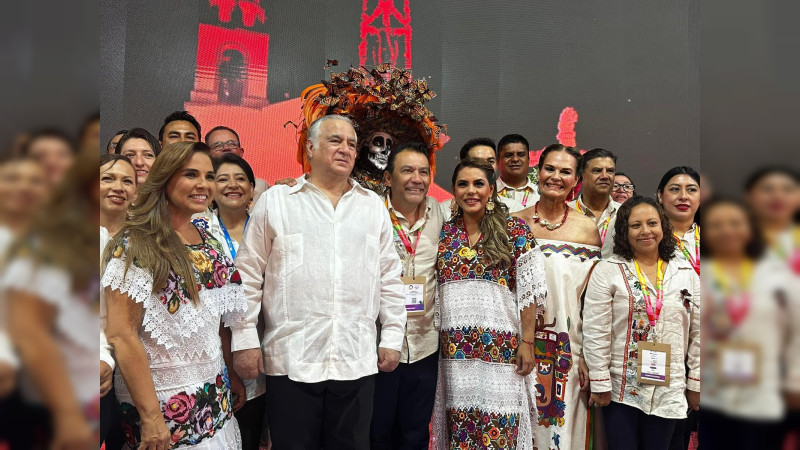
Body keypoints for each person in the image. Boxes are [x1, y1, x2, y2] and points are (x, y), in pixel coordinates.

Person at [231, 115, 407, 449]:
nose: (346, 149)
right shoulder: (277, 201)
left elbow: (389, 277)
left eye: (352, 144)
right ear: (310, 147)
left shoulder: (372, 207)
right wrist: (244, 339)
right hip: (291, 360)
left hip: (356, 359)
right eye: (335, 141)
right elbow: (248, 274)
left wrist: (394, 336)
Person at [102, 142, 247, 448]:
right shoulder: (134, 243)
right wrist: (152, 418)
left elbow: (217, 321)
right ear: (165, 179)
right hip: (160, 404)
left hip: (214, 393)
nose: (203, 185)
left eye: (209, 176)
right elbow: (121, 335)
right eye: (191, 174)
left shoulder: (209, 240)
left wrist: (231, 376)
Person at [431, 157, 547, 449]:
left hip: (502, 350)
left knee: (501, 426)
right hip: (454, 353)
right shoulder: (444, 233)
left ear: (491, 189)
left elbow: (529, 292)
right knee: (460, 426)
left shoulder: (515, 230)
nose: (471, 191)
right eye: (463, 184)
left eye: (479, 184)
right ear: (454, 192)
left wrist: (528, 342)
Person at [583, 196, 701, 450]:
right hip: (620, 387)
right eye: (636, 225)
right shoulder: (608, 270)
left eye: (652, 223)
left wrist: (697, 382)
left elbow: (700, 332)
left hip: (670, 388)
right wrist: (600, 380)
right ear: (624, 231)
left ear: (663, 227)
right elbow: (596, 329)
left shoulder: (685, 273)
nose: (645, 231)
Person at [2, 148, 100, 449]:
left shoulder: (89, 241)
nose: (25, 187)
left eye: (35, 181)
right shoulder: (40, 248)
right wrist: (68, 415)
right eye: (13, 178)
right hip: (49, 398)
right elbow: (30, 333)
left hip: (94, 392)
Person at [513, 144, 601, 449]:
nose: (556, 177)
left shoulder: (587, 230)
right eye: (550, 168)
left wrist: (590, 357)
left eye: (565, 171)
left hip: (568, 350)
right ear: (538, 173)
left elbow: (592, 302)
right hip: (517, 347)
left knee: (561, 433)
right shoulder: (514, 223)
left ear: (576, 180)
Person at [698, 198, 800, 449]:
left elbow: (796, 331)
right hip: (711, 393)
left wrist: (795, 381)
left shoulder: (776, 274)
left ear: (750, 228)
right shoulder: (698, 274)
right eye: (716, 225)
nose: (726, 231)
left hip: (765, 391)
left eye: (735, 223)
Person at [191, 152, 268, 450]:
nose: (232, 185)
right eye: (222, 179)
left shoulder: (268, 230)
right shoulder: (197, 233)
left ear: (252, 189)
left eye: (240, 179)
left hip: (263, 345)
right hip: (212, 350)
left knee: (255, 431)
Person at [370, 142, 443, 449]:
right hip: (378, 344)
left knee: (414, 433)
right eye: (408, 170)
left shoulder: (440, 211)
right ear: (388, 179)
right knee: (377, 431)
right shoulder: (368, 212)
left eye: (424, 172)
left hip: (425, 344)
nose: (417, 179)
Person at [99, 153, 137, 449]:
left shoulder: (145, 241)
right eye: (108, 178)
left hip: (136, 368)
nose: (118, 187)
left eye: (127, 181)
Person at [440, 138, 524, 219]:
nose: (485, 167)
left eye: (490, 162)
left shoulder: (513, 208)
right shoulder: (443, 212)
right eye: (477, 161)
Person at [568, 148, 621, 259]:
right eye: (597, 170)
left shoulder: (625, 214)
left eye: (610, 171)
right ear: (582, 175)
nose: (605, 176)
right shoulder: (566, 212)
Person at [745, 167, 799, 270]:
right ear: (748, 196)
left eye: (788, 190)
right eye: (767, 189)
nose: (777, 196)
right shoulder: (736, 236)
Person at [205, 125, 269, 206]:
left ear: (241, 152)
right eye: (217, 146)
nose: (226, 148)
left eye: (232, 144)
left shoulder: (260, 187)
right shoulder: (199, 188)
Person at [657, 166, 701, 277]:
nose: (683, 196)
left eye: (691, 190)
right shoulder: (649, 236)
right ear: (660, 196)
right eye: (675, 189)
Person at [497, 133, 539, 208]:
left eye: (521, 155)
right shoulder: (488, 193)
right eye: (508, 155)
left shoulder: (541, 194)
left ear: (529, 160)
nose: (515, 159)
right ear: (498, 160)